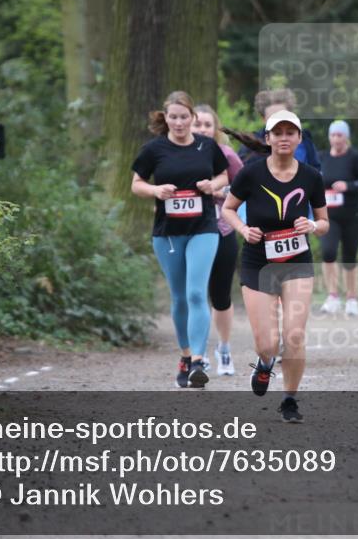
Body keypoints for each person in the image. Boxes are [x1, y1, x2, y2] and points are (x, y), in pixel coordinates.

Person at [222, 108, 328, 423]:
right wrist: (243, 230)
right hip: (258, 261)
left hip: (297, 262)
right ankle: (265, 362)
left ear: (298, 138)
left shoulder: (311, 176)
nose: (284, 138)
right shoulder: (251, 173)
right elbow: (228, 209)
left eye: (289, 133)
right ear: (267, 139)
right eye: (277, 133)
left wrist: (312, 226)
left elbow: (324, 222)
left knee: (294, 335)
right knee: (266, 343)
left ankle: (290, 400)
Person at [131, 91, 229, 388]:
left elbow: (224, 176)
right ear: (166, 118)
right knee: (179, 296)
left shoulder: (207, 146)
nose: (178, 122)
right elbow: (136, 184)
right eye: (173, 117)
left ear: (192, 118)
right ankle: (185, 356)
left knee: (197, 292)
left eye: (184, 117)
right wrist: (155, 191)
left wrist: (212, 185)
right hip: (168, 233)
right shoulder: (154, 150)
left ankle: (199, 361)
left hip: (204, 228)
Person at [192, 104, 244, 376]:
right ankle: (198, 355)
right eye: (197, 124)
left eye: (207, 125)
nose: (202, 129)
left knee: (220, 295)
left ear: (215, 128)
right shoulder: (178, 155)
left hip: (222, 229)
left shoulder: (226, 155)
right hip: (189, 231)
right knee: (195, 294)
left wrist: (217, 189)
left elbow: (245, 186)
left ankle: (224, 348)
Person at [317, 120, 358, 318]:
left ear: (346, 137)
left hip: (352, 216)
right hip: (328, 217)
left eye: (340, 135)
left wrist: (349, 186)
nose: (336, 139)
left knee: (349, 257)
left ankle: (352, 299)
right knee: (328, 252)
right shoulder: (322, 157)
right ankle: (333, 296)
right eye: (333, 135)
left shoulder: (354, 158)